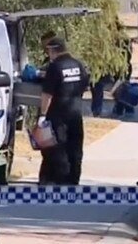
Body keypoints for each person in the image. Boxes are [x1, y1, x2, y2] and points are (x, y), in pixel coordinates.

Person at [38, 37, 90, 185]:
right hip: (75, 113)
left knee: (56, 149)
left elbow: (47, 94)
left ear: (52, 50)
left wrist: (42, 115)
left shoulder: (54, 67)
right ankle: (73, 179)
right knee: (75, 148)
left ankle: (58, 181)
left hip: (58, 115)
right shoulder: (78, 64)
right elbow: (84, 86)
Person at [111, 23, 135, 118]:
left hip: (122, 66)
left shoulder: (120, 40)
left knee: (120, 88)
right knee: (122, 88)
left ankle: (123, 108)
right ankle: (122, 108)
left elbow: (127, 54)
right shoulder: (125, 39)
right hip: (123, 66)